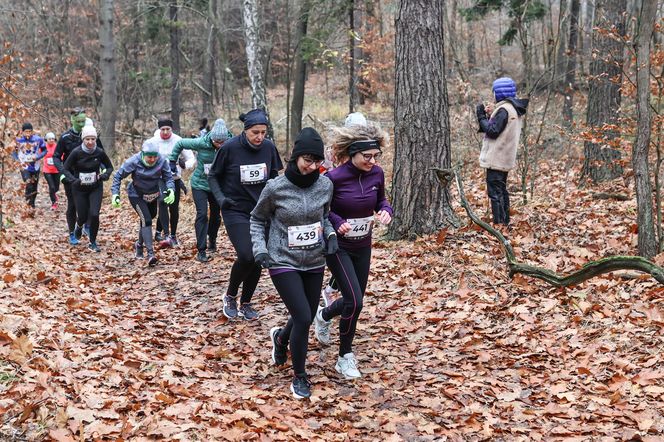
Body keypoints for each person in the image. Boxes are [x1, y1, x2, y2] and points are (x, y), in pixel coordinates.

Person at [251, 127, 337, 399]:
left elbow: (325, 217)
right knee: (302, 315)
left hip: (314, 259)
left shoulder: (325, 184)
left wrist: (332, 235)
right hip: (282, 259)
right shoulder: (275, 188)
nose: (312, 167)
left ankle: (280, 338)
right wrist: (260, 249)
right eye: (307, 160)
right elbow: (257, 219)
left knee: (305, 315)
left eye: (317, 161)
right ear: (296, 157)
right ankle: (300, 375)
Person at [313, 122, 392, 380]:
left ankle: (324, 316)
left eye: (375, 156)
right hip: (338, 246)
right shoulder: (333, 178)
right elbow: (322, 210)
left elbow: (382, 200)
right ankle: (344, 357)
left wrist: (386, 212)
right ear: (352, 154)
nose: (371, 161)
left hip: (363, 245)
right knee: (355, 301)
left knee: (353, 302)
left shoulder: (377, 174)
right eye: (366, 156)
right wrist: (337, 222)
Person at [208, 108, 283, 320]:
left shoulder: (268, 148)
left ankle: (246, 302)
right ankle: (230, 295)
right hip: (236, 210)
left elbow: (276, 176)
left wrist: (277, 202)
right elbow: (213, 176)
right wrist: (221, 200)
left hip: (262, 211)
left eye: (263, 132)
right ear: (245, 130)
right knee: (246, 254)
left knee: (258, 257)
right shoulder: (229, 148)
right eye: (255, 132)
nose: (260, 137)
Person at [170, 118, 231, 263]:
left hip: (218, 186)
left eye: (222, 142)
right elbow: (180, 143)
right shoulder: (202, 142)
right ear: (212, 138)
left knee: (216, 216)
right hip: (200, 184)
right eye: (217, 142)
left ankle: (213, 240)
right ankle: (201, 250)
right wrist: (172, 160)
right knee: (202, 214)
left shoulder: (232, 143)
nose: (220, 145)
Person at [111, 140, 176, 266]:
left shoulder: (162, 161)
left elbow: (168, 177)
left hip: (153, 194)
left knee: (148, 218)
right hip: (136, 195)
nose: (152, 159)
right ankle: (150, 254)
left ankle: (139, 245)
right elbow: (118, 176)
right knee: (146, 220)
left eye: (154, 156)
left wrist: (171, 190)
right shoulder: (134, 161)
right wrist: (115, 194)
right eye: (149, 156)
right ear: (143, 154)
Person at [475, 77, 528, 226]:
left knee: (495, 193)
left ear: (500, 93)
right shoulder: (512, 108)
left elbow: (493, 130)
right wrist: (491, 115)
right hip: (504, 158)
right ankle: (504, 223)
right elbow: (499, 126)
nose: (492, 96)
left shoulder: (504, 110)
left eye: (494, 92)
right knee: (501, 191)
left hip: (497, 158)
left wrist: (481, 117)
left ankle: (499, 226)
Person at [53, 107, 104, 245]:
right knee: (73, 204)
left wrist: (103, 169)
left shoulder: (90, 135)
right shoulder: (65, 137)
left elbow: (101, 154)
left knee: (88, 204)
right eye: (79, 121)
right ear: (72, 120)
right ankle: (72, 232)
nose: (82, 124)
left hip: (89, 174)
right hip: (71, 175)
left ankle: (85, 226)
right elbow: (56, 157)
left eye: (83, 121)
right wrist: (63, 172)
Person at [61, 121, 114, 252]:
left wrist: (104, 175)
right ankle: (78, 226)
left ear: (96, 139)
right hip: (79, 189)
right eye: (87, 139)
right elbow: (65, 169)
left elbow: (109, 167)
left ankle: (92, 242)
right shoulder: (76, 152)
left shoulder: (99, 152)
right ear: (83, 139)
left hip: (95, 187)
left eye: (93, 139)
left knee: (95, 214)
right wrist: (73, 180)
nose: (90, 142)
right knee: (83, 215)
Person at [151, 117, 195, 247]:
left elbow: (191, 158)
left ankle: (173, 235)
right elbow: (145, 158)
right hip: (159, 178)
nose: (165, 132)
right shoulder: (154, 141)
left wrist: (184, 164)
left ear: (172, 129)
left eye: (167, 129)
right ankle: (166, 234)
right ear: (159, 129)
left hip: (174, 177)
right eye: (162, 129)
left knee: (174, 207)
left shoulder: (178, 141)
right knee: (163, 201)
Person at [13, 122, 46, 208]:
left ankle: (32, 203)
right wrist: (18, 160)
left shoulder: (38, 139)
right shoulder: (18, 140)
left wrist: (38, 157)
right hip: (24, 166)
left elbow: (45, 150)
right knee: (29, 184)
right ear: (22, 132)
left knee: (34, 187)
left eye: (30, 131)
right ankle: (29, 206)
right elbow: (13, 152)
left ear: (32, 131)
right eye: (26, 132)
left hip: (35, 166)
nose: (28, 133)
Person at [42, 132, 62, 210]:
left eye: (53, 139)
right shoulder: (43, 147)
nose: (51, 140)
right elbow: (38, 154)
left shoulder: (57, 147)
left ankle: (53, 194)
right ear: (46, 139)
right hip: (47, 170)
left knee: (56, 188)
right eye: (49, 139)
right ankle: (54, 203)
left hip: (56, 170)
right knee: (52, 187)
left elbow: (62, 156)